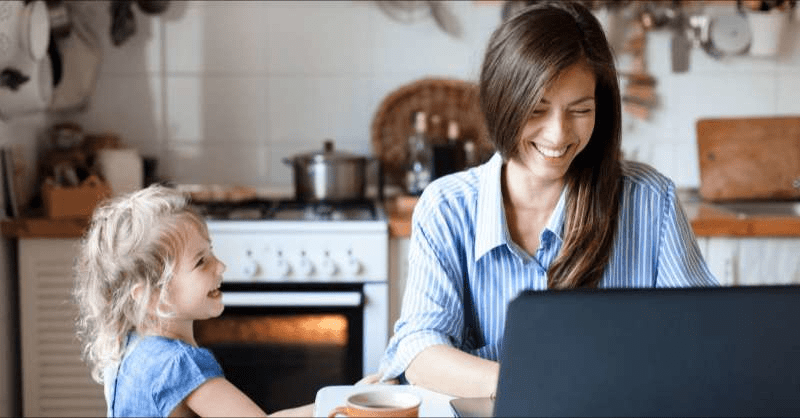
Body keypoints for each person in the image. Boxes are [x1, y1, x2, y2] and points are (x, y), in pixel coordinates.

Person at [376, 0, 718, 398]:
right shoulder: (446, 207)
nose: (558, 135)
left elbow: (701, 338)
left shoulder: (650, 202)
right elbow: (420, 351)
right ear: (502, 102)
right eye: (537, 110)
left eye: (580, 110)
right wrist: (536, 384)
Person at [73, 185, 313, 417]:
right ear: (152, 296)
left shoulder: (129, 347)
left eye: (211, 252)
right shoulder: (180, 365)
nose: (220, 266)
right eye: (200, 262)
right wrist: (336, 406)